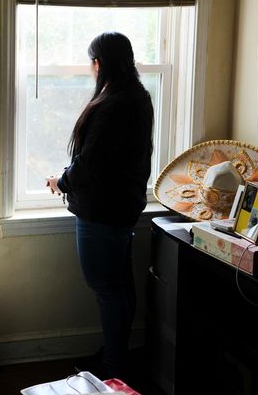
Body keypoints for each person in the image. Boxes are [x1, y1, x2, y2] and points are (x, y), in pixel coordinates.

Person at [45, 32, 154, 379]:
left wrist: (61, 182)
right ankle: (116, 357)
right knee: (120, 287)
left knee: (107, 290)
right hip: (123, 208)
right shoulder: (137, 97)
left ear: (100, 64)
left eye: (92, 62)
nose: (91, 69)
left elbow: (91, 162)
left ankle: (112, 370)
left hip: (102, 213)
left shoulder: (113, 105)